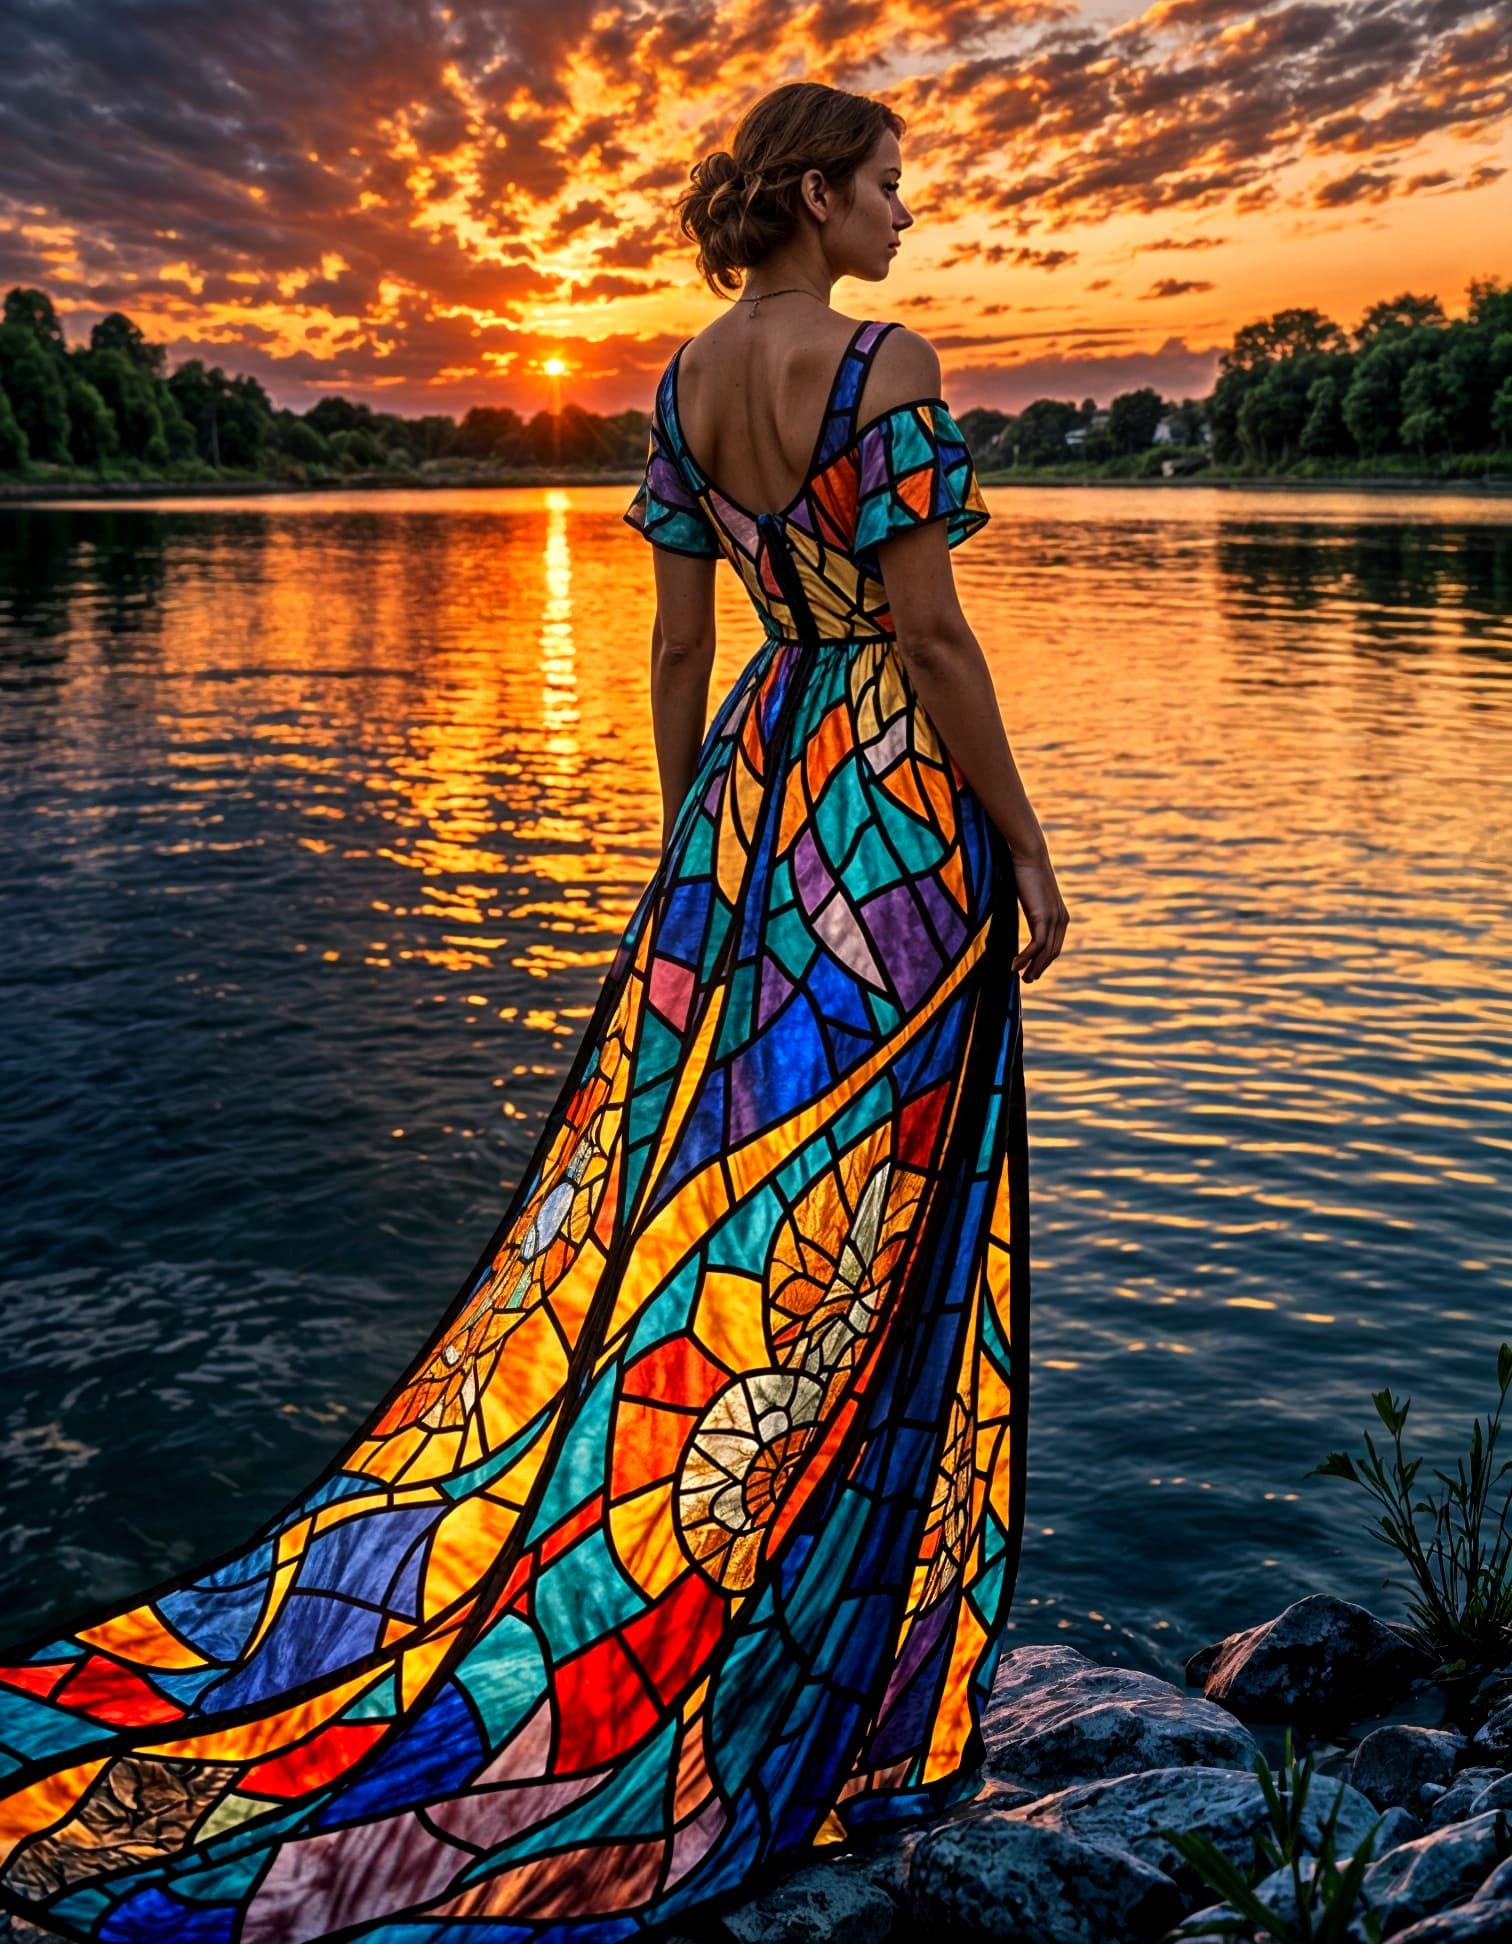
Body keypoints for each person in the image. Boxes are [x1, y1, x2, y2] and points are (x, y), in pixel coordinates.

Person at [0, 79, 1066, 1944]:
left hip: (748, 802)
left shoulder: (681, 383)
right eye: (891, 181)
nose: (907, 211)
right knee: (874, 1203)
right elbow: (930, 632)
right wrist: (1028, 843)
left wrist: (693, 842)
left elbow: (677, 642)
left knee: (732, 1209)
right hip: (888, 805)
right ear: (818, 195)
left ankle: (716, 1598)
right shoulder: (883, 365)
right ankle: (822, 1664)